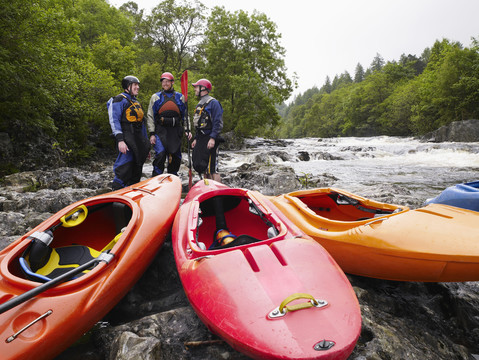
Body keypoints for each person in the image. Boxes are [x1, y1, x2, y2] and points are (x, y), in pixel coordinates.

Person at [107, 75, 149, 190]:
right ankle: (116, 193)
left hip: (138, 140)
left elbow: (142, 124)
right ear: (127, 86)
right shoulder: (119, 100)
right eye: (135, 85)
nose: (137, 87)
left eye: (138, 85)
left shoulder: (136, 102)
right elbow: (114, 120)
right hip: (126, 139)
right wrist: (120, 140)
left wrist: (146, 145)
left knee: (137, 168)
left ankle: (131, 195)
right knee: (124, 168)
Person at [147, 72, 188, 176]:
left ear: (172, 82)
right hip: (161, 131)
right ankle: (156, 177)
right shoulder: (156, 97)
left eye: (167, 81)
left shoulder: (180, 97)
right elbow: (150, 115)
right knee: (160, 154)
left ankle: (172, 176)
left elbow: (185, 115)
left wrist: (188, 130)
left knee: (175, 156)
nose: (165, 84)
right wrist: (152, 133)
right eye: (163, 81)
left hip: (175, 131)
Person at [191, 78, 223, 182]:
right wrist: (196, 138)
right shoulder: (200, 103)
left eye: (196, 87)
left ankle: (218, 193)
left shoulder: (214, 103)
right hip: (201, 139)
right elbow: (199, 125)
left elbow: (217, 122)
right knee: (204, 167)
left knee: (212, 168)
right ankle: (208, 191)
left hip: (210, 138)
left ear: (203, 88)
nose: (195, 89)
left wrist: (213, 138)